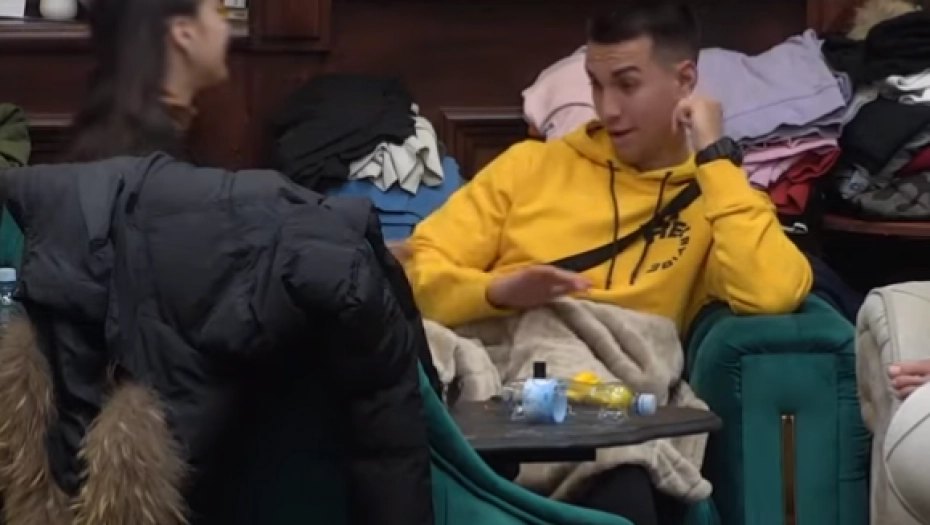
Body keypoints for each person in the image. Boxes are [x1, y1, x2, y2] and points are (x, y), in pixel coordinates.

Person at [405, 1, 813, 524]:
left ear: (685, 81)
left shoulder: (716, 197)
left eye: (627, 85)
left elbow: (772, 292)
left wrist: (715, 155)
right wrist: (497, 292)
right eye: (596, 86)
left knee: (617, 466)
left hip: (615, 387)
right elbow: (414, 272)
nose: (608, 109)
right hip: (501, 372)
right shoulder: (531, 167)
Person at [68, 0, 230, 161]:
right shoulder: (154, 163)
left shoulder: (105, 134)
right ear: (184, 33)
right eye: (218, 11)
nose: (226, 28)